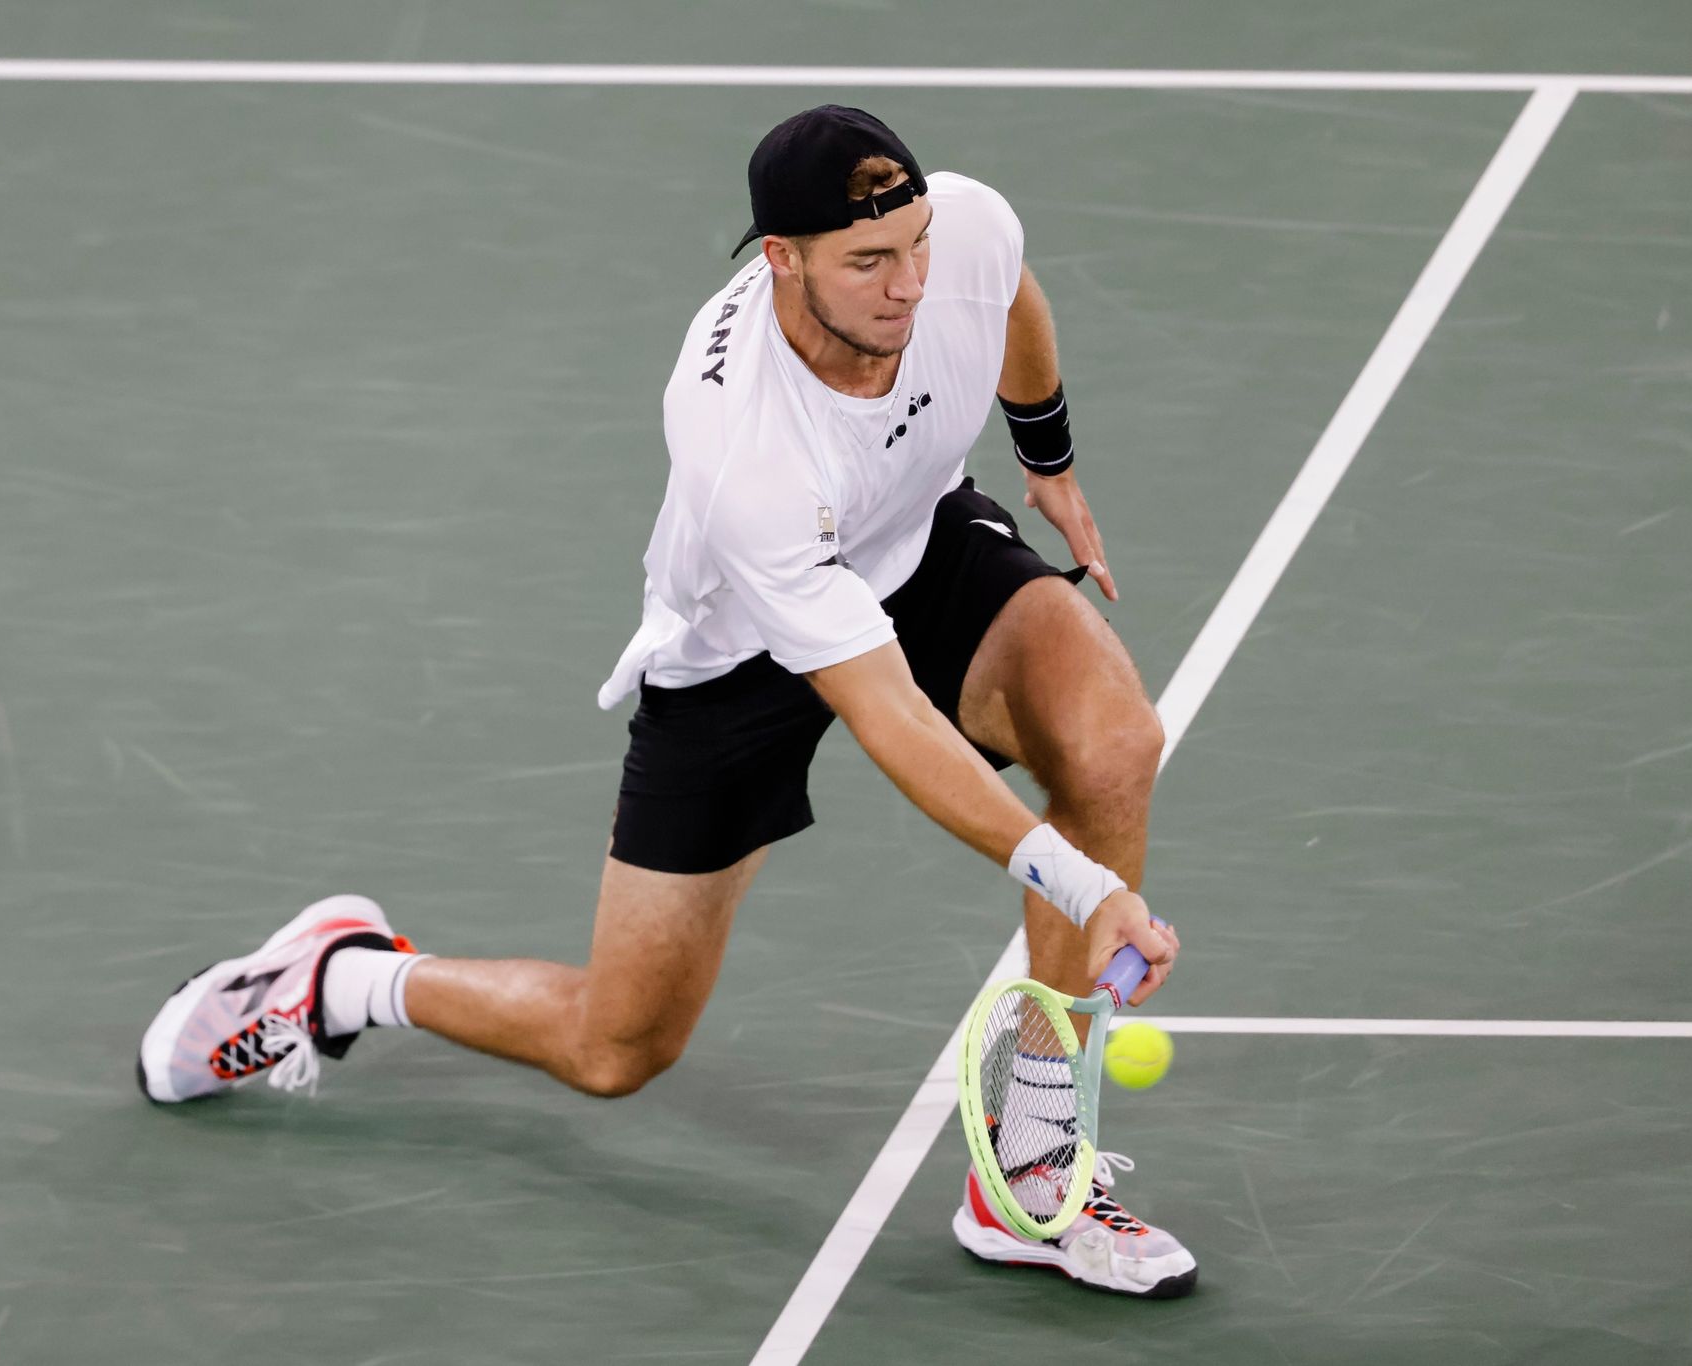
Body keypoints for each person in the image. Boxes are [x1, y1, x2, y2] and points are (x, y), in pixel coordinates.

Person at [137, 105, 1194, 1298]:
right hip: (736, 653)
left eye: (913, 245)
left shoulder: (962, 237)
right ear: (780, 259)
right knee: (616, 1046)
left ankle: (1029, 1169)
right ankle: (336, 977)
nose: (907, 285)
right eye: (867, 262)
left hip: (911, 538)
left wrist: (1043, 452)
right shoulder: (746, 448)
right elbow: (888, 712)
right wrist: (1086, 887)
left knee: (1112, 748)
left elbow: (1006, 296)